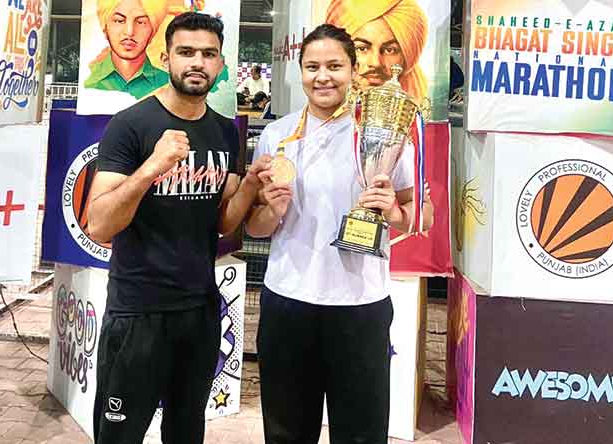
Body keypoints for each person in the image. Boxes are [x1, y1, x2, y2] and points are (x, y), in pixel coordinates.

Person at [246, 24, 433, 443]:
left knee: (361, 433)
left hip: (359, 306)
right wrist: (272, 210)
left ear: (353, 70)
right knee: (286, 432)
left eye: (334, 66)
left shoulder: (384, 134)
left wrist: (394, 211)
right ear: (300, 71)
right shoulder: (277, 136)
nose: (323, 77)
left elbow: (425, 216)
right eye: (312, 67)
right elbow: (254, 226)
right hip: (288, 302)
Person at [87, 12, 269, 444]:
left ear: (220, 64)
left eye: (208, 54)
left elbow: (223, 222)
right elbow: (98, 224)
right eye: (186, 52)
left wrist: (250, 186)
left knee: (186, 432)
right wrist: (152, 167)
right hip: (138, 310)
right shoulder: (131, 125)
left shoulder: (225, 131)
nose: (197, 62)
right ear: (166, 58)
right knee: (119, 436)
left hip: (199, 310)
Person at [326, 0, 429, 100]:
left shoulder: (417, 104)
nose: (376, 63)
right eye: (361, 48)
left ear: (408, 56)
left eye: (390, 50)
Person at [84, 0, 170, 98]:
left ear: (153, 32)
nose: (129, 32)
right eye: (119, 21)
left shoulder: (167, 83)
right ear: (105, 28)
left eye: (141, 22)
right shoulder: (88, 78)